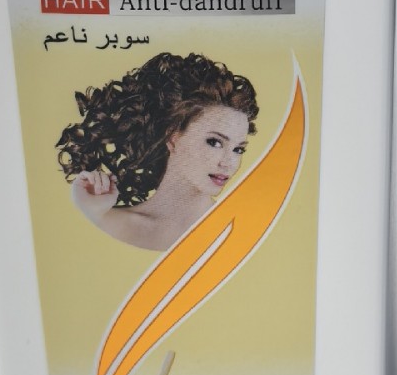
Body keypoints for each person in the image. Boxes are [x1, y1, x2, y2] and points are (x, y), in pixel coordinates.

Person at [57, 52, 259, 252]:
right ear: (172, 138)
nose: (229, 163)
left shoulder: (240, 232)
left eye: (238, 149)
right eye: (214, 142)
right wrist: (93, 212)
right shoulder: (110, 221)